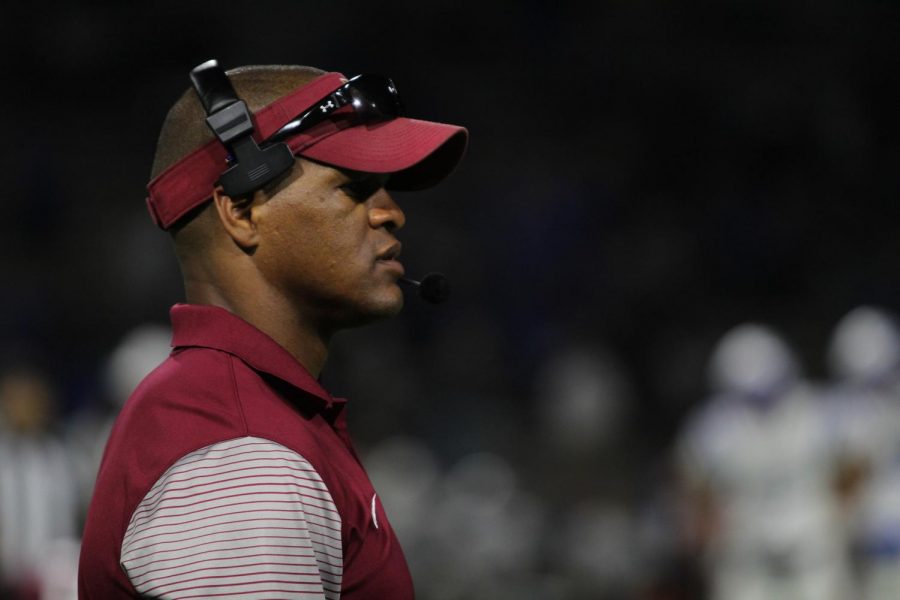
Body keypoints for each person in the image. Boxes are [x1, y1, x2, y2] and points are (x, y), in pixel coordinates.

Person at [78, 60, 467, 599]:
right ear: (241, 209)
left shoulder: (240, 411)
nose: (391, 213)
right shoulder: (241, 456)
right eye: (355, 189)